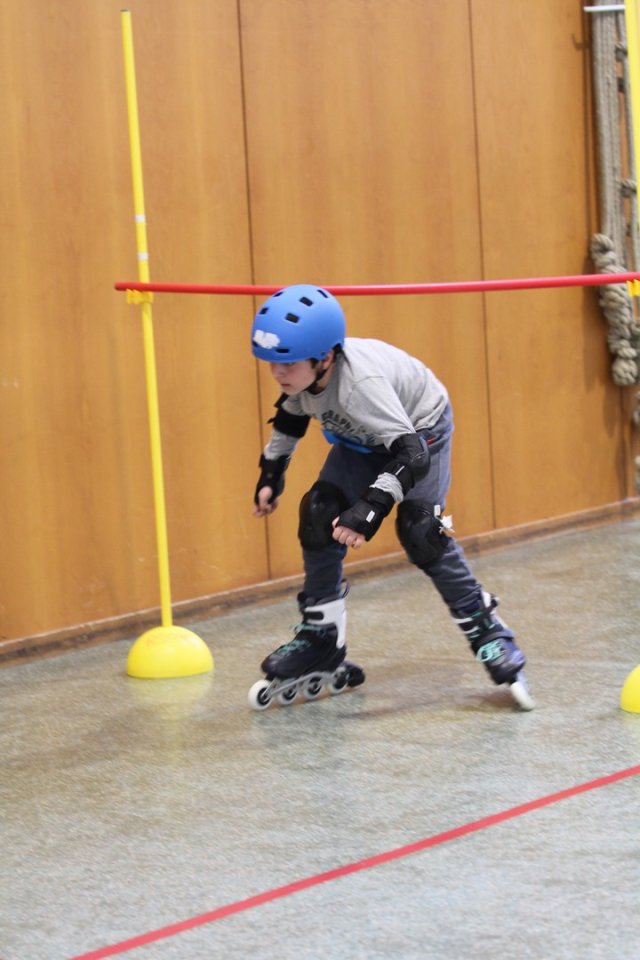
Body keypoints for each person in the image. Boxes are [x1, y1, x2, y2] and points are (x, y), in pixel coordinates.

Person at [250, 284, 533, 709]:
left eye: (288, 363)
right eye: (273, 362)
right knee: (319, 511)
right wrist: (272, 473)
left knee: (422, 531)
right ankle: (321, 637)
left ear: (325, 358)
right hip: (364, 439)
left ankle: (487, 629)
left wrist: (369, 509)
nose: (278, 373)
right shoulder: (305, 379)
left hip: (421, 433)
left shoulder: (359, 386)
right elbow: (291, 418)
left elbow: (411, 455)